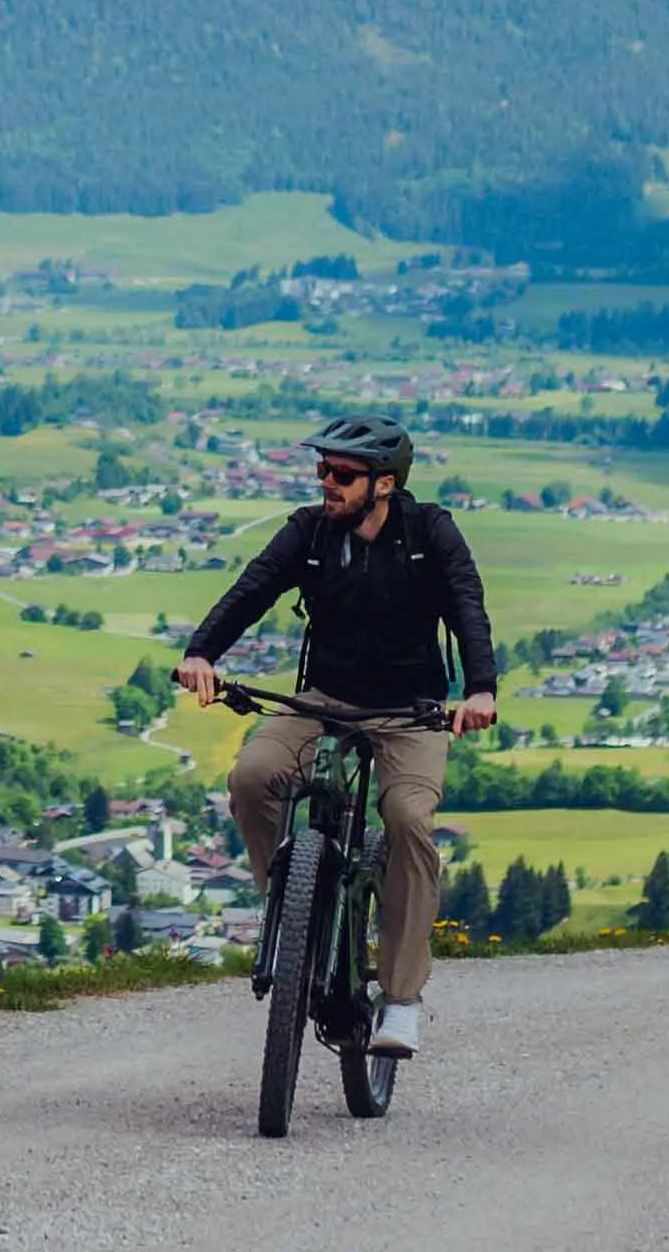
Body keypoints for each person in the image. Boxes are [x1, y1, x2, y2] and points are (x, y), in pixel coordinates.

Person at [179, 416, 497, 1047]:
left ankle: (401, 997)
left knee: (407, 818)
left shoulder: (430, 533)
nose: (327, 482)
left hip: (411, 711)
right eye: (323, 470)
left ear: (384, 484)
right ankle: (291, 915)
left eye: (342, 474)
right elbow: (252, 590)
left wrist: (480, 689)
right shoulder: (311, 531)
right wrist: (201, 653)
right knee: (252, 776)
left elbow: (467, 606)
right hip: (322, 698)